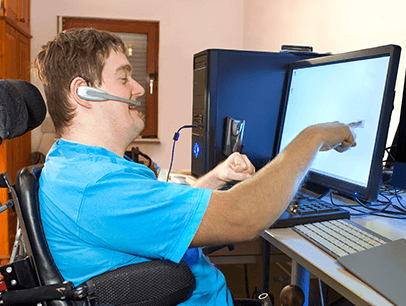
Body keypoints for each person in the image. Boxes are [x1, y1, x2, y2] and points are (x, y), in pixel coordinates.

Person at [33, 28, 360, 305]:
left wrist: (217, 177)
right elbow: (243, 218)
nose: (137, 88)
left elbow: (161, 216)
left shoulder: (75, 166)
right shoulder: (96, 186)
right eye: (124, 78)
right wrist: (312, 136)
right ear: (84, 93)